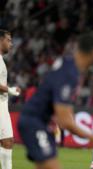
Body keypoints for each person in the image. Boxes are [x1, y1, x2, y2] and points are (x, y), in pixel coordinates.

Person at [17, 32, 93, 169]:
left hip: (38, 122)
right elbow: (64, 121)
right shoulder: (70, 73)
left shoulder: (66, 63)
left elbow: (64, 114)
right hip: (34, 123)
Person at [0, 29, 21, 169]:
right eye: (8, 40)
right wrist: (10, 90)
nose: (11, 44)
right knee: (7, 141)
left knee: (6, 142)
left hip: (2, 103)